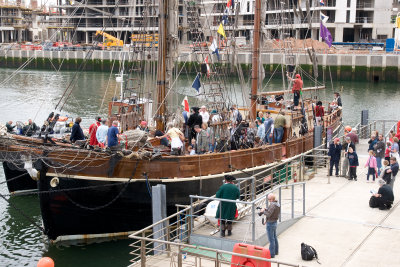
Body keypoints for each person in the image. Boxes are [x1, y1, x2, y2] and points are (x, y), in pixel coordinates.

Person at [260, 193, 281, 258]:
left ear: (272, 199)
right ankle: (276, 251)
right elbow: (272, 212)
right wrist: (267, 209)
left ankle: (271, 254)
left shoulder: (272, 205)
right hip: (274, 222)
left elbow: (268, 214)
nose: (268, 200)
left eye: (269, 199)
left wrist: (263, 211)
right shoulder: (277, 204)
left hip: (270, 224)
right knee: (274, 237)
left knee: (271, 239)